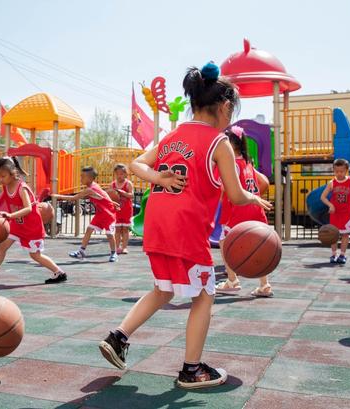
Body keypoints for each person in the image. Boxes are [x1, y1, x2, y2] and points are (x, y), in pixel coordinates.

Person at [98, 63, 271, 389]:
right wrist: (253, 199)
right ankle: (191, 369)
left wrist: (158, 177)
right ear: (224, 107)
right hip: (185, 230)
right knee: (204, 295)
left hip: (157, 226)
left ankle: (118, 336)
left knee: (164, 289)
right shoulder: (219, 143)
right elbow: (234, 193)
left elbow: (136, 164)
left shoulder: (173, 135)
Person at [0, 157, 67, 285]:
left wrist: (11, 216)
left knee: (35, 256)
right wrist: (0, 216)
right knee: (2, 247)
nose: (0, 180)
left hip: (32, 227)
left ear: (13, 174)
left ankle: (59, 273)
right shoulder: (6, 187)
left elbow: (28, 208)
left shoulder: (22, 188)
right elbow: (5, 205)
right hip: (17, 225)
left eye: (3, 176)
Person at [215, 126, 273, 297]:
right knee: (259, 246)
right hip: (255, 208)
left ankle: (232, 280)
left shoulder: (230, 164)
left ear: (232, 143)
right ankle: (265, 284)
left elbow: (223, 189)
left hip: (238, 209)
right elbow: (262, 182)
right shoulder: (248, 161)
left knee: (224, 242)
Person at [52, 166, 120, 262]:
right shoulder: (94, 186)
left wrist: (57, 196)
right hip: (100, 214)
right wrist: (112, 202)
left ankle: (114, 253)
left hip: (108, 214)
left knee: (109, 235)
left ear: (90, 178)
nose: (80, 178)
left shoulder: (90, 189)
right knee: (89, 230)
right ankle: (81, 251)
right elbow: (104, 194)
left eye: (83, 176)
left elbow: (74, 198)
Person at [320, 159, 350, 264]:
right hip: (335, 213)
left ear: (347, 170)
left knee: (345, 235)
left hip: (347, 213)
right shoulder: (332, 183)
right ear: (333, 170)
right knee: (334, 235)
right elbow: (322, 197)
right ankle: (333, 254)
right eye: (336, 171)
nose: (339, 174)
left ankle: (342, 254)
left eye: (341, 171)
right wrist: (330, 205)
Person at [111, 163, 134, 254]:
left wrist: (122, 192)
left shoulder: (128, 184)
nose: (119, 176)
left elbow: (131, 195)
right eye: (117, 174)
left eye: (121, 174)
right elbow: (109, 197)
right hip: (116, 211)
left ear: (125, 174)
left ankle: (124, 247)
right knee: (117, 229)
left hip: (126, 210)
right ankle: (117, 247)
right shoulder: (112, 184)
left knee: (125, 229)